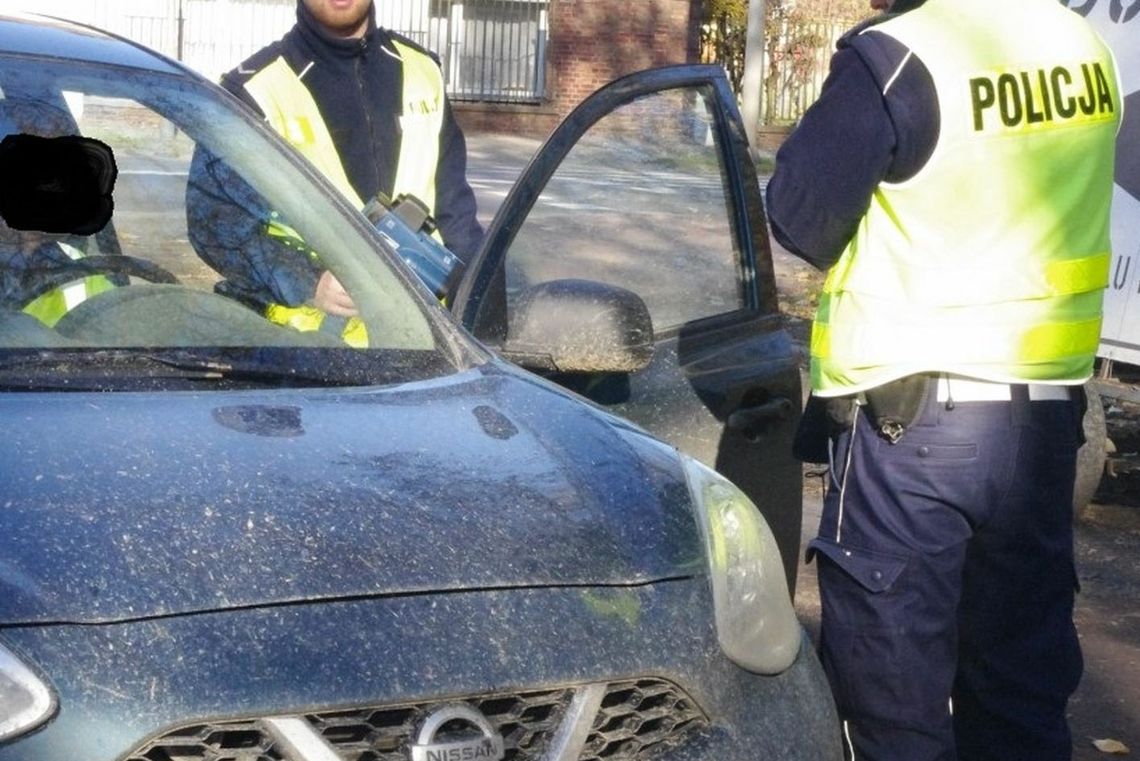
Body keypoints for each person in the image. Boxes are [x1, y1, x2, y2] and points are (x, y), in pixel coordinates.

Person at [765, 0, 1121, 759]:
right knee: (1020, 696)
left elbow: (800, 217)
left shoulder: (897, 55)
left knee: (893, 704)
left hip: (915, 430)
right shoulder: (1082, 43)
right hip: (1043, 422)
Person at [186, 0, 483, 338]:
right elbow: (212, 222)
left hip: (424, 348)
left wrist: (483, 334)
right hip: (302, 356)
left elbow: (459, 221)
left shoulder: (423, 70)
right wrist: (308, 279)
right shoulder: (252, 93)